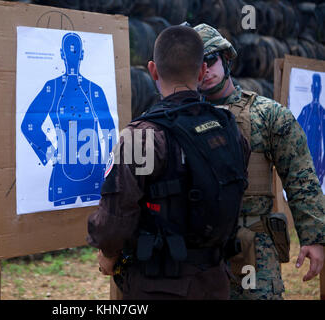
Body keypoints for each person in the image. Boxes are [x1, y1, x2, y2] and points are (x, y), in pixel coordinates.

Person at [87, 25, 250, 300]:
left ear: (152, 70)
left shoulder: (142, 137)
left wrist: (108, 253)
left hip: (158, 284)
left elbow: (113, 222)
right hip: (215, 281)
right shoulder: (230, 128)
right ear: (200, 72)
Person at [194, 23, 325, 300]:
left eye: (210, 60)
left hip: (255, 247)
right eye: (196, 63)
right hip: (198, 249)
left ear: (226, 60)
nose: (204, 71)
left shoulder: (268, 114)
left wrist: (314, 238)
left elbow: (301, 178)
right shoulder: (181, 118)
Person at [21, 32, 116, 206]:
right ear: (62, 53)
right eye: (69, 50)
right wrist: (51, 152)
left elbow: (110, 131)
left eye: (75, 50)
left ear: (82, 54)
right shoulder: (53, 88)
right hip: (64, 176)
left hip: (94, 174)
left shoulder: (95, 90)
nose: (72, 54)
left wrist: (106, 168)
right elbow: (28, 124)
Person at [297, 73, 324, 186]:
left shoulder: (322, 113)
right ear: (312, 89)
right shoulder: (306, 110)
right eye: (315, 87)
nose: (316, 90)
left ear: (321, 89)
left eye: (318, 88)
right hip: (304, 157)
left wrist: (322, 168)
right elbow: (294, 134)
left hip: (317, 159)